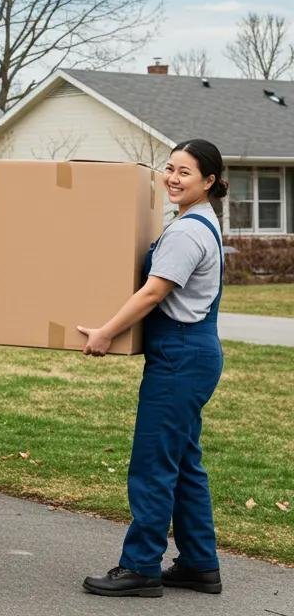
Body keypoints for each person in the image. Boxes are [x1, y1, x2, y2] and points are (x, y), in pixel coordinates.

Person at [80, 140, 227, 598]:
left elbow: (152, 293)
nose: (173, 178)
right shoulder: (199, 222)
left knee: (153, 466)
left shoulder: (186, 232)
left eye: (186, 172)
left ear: (209, 181)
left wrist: (105, 331)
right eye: (170, 169)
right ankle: (200, 565)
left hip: (180, 357)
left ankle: (141, 566)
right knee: (183, 464)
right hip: (193, 353)